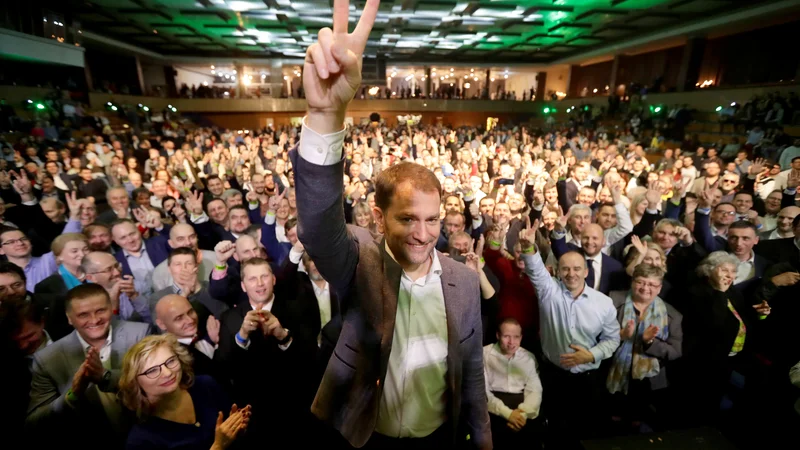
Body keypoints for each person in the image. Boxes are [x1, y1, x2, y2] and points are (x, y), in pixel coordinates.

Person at [293, 1, 491, 447]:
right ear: (378, 218)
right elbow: (319, 227)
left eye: (432, 219)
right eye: (408, 219)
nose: (423, 234)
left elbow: (473, 374)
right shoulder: (359, 261)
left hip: (438, 437)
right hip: (364, 435)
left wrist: (482, 441)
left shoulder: (461, 280)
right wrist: (326, 116)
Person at [519, 220, 620, 447]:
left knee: (587, 433)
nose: (571, 274)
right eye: (565, 268)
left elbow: (613, 339)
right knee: (555, 432)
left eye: (576, 269)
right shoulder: (549, 291)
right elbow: (535, 269)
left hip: (589, 380)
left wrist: (591, 355)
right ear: (557, 271)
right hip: (554, 377)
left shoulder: (603, 303)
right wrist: (528, 247)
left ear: (586, 271)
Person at [26, 284, 150, 449]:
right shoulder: (48, 359)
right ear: (69, 318)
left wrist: (105, 377)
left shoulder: (140, 334)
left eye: (100, 311)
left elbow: (152, 381)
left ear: (111, 307)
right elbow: (35, 422)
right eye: (83, 314)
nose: (94, 320)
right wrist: (73, 394)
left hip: (147, 437)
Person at [119, 334, 250, 450]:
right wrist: (218, 446)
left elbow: (237, 436)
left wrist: (238, 427)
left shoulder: (205, 385)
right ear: (135, 382)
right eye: (152, 370)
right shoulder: (140, 441)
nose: (168, 373)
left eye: (170, 361)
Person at [607, 264, 683, 429]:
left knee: (636, 423)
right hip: (612, 371)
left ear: (660, 288)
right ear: (633, 282)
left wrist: (649, 342)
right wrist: (621, 335)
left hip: (646, 382)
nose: (645, 288)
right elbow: (597, 336)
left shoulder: (672, 315)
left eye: (651, 284)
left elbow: (675, 352)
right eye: (640, 282)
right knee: (612, 421)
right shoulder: (613, 300)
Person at [483, 318, 543, 449]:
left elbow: (535, 390)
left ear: (521, 338)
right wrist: (507, 414)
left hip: (522, 406)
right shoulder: (484, 354)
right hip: (492, 407)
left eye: (516, 337)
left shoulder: (529, 357)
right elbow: (482, 392)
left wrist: (522, 414)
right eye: (506, 336)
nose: (511, 343)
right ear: (498, 335)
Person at [33, 233, 90, 340]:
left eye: (85, 249)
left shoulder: (99, 274)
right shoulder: (47, 286)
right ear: (59, 256)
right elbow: (53, 325)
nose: (82, 254)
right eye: (74, 251)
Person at [151, 247, 228, 319]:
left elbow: (225, 315)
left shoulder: (211, 287)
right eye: (178, 264)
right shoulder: (158, 298)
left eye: (189, 263)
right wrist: (184, 295)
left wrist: (197, 288)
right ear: (169, 269)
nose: (184, 268)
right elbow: (165, 329)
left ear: (196, 268)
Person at [152, 224, 217, 292]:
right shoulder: (160, 272)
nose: (188, 243)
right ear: (171, 243)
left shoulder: (215, 258)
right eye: (180, 239)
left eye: (192, 237)